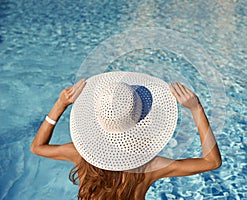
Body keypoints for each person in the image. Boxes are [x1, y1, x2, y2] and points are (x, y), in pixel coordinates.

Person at [31, 72, 221, 200]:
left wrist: (60, 105)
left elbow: (38, 147)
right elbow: (211, 162)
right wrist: (196, 109)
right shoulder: (148, 167)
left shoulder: (80, 154)